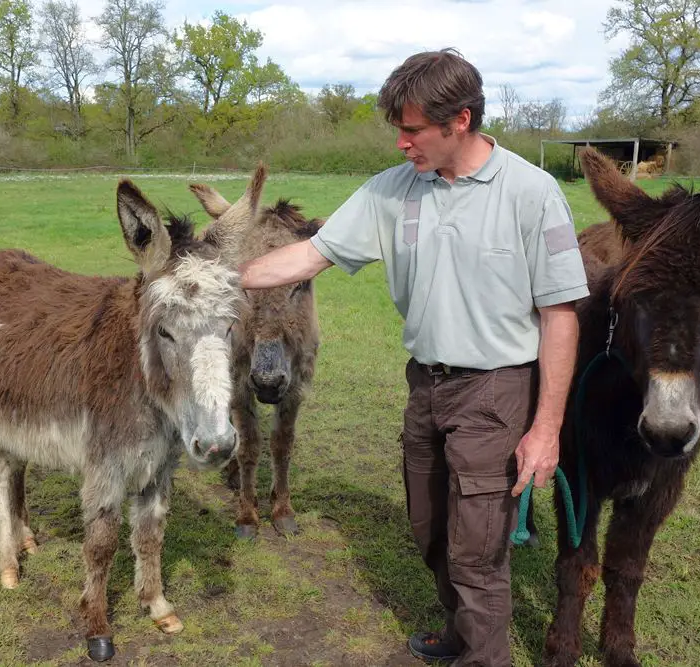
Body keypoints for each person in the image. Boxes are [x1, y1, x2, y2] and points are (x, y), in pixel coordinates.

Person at [238, 48, 588, 666]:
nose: (401, 144)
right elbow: (309, 256)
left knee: (477, 555)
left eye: (412, 130)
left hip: (496, 388)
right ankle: (459, 633)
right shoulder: (391, 191)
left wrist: (547, 429)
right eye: (397, 129)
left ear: (461, 120)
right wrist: (218, 282)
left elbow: (561, 317)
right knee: (430, 530)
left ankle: (485, 658)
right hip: (425, 385)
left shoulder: (532, 194)